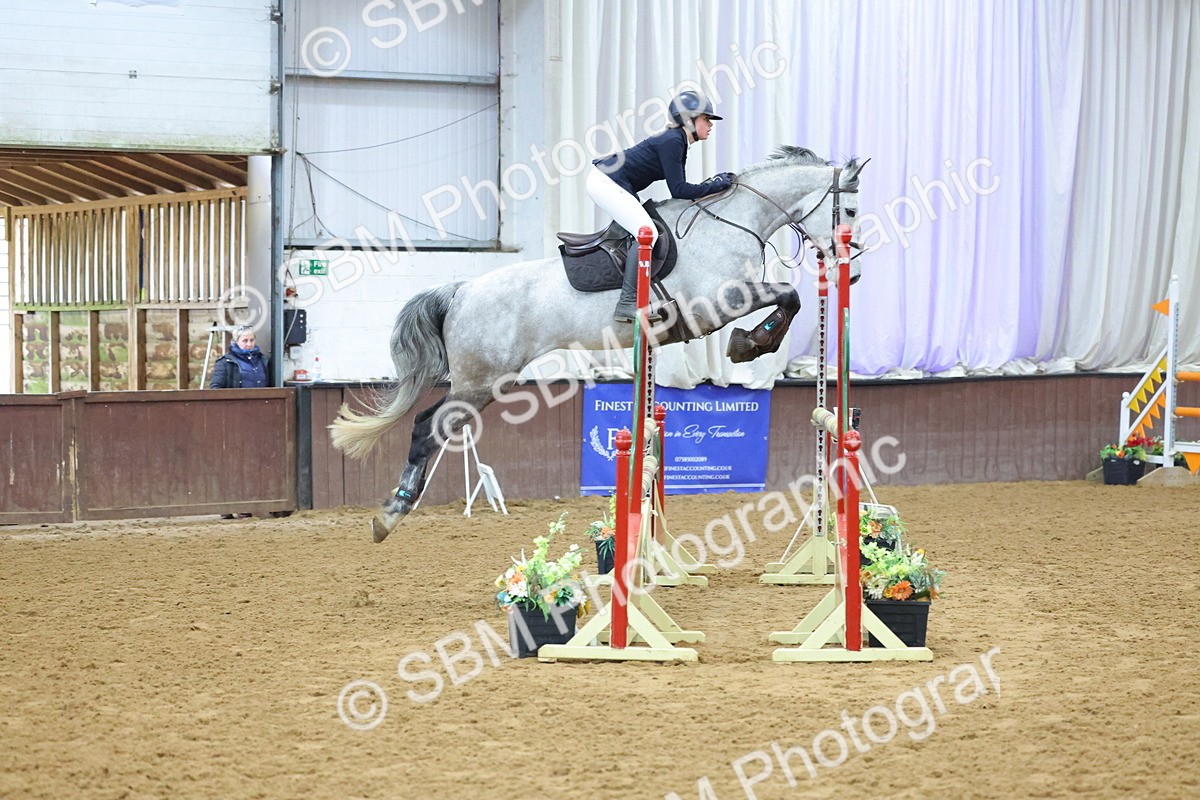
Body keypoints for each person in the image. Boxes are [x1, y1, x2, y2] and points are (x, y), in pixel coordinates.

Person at [588, 89, 735, 322]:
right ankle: (627, 302)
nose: (710, 125)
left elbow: (681, 189)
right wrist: (716, 185)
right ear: (689, 120)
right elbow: (679, 191)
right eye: (706, 119)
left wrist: (712, 185)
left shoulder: (678, 141)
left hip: (613, 181)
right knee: (648, 233)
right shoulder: (672, 141)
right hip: (605, 181)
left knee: (644, 229)